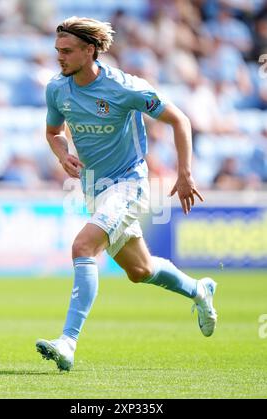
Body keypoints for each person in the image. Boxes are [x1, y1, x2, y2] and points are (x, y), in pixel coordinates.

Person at [36, 17, 217, 372]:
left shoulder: (124, 88)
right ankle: (199, 290)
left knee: (82, 247)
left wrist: (184, 173)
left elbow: (179, 120)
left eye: (67, 51)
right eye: (57, 51)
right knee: (140, 270)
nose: (60, 58)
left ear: (90, 51)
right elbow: (53, 131)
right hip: (95, 190)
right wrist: (61, 154)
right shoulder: (57, 89)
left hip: (129, 185)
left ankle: (68, 342)